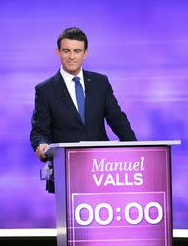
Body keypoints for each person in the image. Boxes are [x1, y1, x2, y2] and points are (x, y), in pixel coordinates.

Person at [30, 27, 136, 162]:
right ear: (58, 52)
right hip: (65, 166)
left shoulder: (100, 82)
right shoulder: (45, 90)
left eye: (77, 51)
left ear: (85, 53)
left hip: (101, 168)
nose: (72, 56)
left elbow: (117, 120)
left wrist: (135, 150)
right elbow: (39, 131)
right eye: (66, 51)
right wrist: (41, 145)